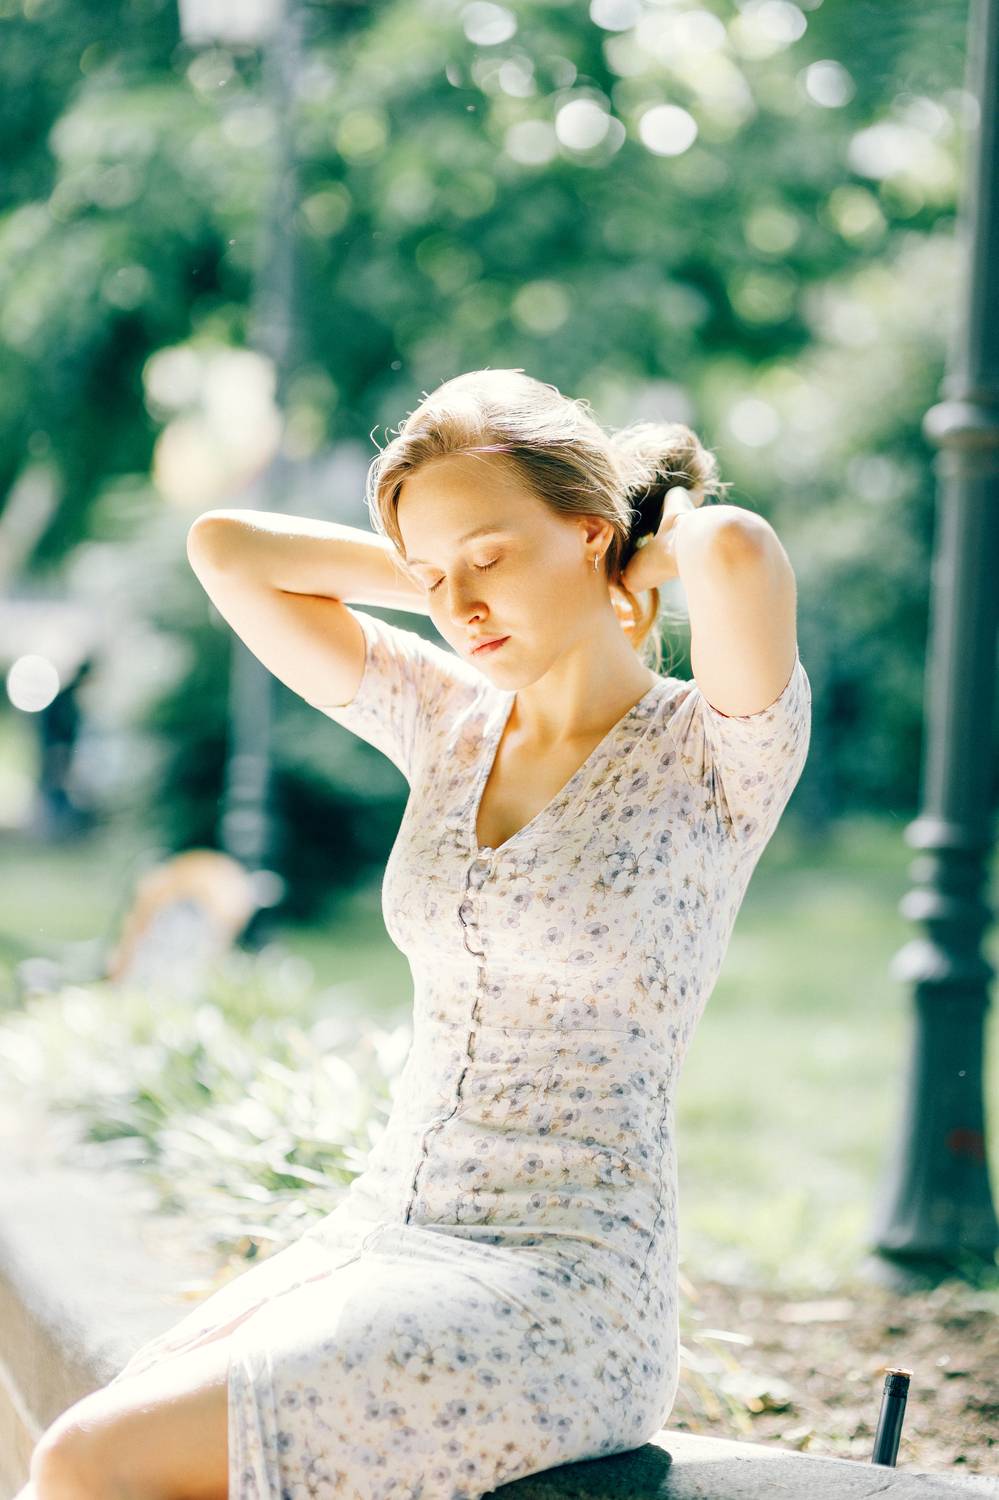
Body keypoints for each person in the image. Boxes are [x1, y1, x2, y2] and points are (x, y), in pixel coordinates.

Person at [25, 368, 811, 1500]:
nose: (461, 605)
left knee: (89, 1461)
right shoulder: (445, 721)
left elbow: (737, 550)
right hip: (379, 1235)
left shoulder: (715, 756)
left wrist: (658, 539)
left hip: (562, 1285)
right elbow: (227, 549)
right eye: (432, 577)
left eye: (491, 557)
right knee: (104, 1436)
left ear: (595, 534)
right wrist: (443, 565)